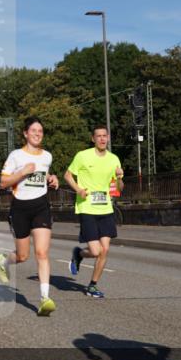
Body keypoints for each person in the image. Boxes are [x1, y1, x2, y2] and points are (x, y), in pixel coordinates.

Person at [0, 117, 60, 316]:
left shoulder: (47, 156)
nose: (37, 134)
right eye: (33, 130)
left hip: (41, 207)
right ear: (25, 133)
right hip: (20, 208)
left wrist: (52, 178)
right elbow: (3, 183)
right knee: (23, 256)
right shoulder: (16, 156)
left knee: (42, 253)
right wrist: (22, 172)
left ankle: (44, 298)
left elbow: (43, 175)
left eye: (40, 131)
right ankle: (5, 261)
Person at [65, 126, 124, 299]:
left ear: (108, 138)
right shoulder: (82, 156)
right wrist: (78, 190)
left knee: (105, 250)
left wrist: (119, 177)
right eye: (98, 136)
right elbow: (67, 175)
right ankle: (79, 254)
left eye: (105, 135)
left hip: (106, 208)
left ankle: (92, 285)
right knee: (96, 251)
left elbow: (119, 189)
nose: (102, 139)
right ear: (93, 139)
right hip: (87, 208)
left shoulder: (114, 159)